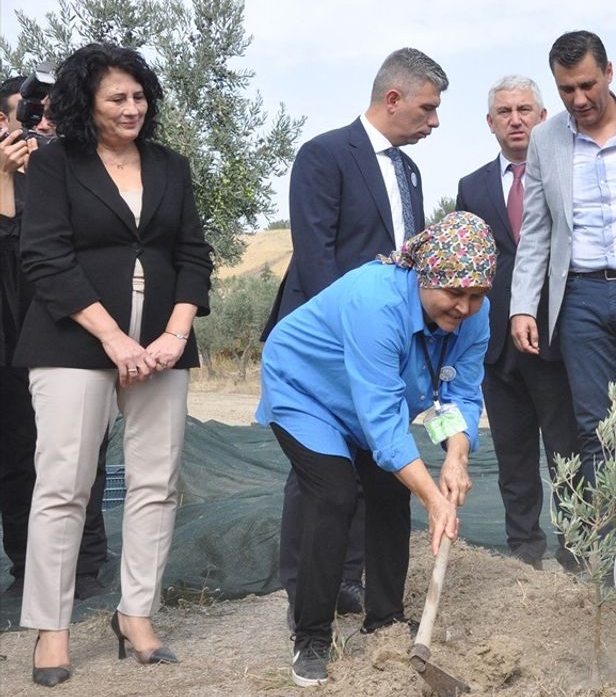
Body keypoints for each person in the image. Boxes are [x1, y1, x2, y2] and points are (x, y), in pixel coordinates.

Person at [16, 42, 214, 686]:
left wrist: (176, 333)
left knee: (157, 483)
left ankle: (136, 616)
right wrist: (114, 339)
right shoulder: (52, 166)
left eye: (139, 96)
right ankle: (50, 627)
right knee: (64, 488)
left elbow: (193, 254)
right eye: (117, 98)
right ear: (85, 103)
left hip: (163, 346)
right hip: (74, 344)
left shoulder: (170, 166)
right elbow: (44, 257)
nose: (133, 108)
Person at [257, 211, 492, 687]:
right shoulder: (376, 302)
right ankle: (312, 637)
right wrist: (434, 498)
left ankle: (384, 618)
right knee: (334, 495)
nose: (465, 307)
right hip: (306, 391)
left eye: (476, 295)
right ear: (426, 275)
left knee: (389, 494)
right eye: (454, 293)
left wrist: (456, 453)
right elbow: (385, 426)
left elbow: (461, 393)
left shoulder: (474, 316)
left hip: (368, 400)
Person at [263, 48, 448, 619]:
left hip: (383, 338)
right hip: (325, 342)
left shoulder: (409, 171)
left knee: (377, 463)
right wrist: (355, 335)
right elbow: (317, 256)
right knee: (321, 476)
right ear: (393, 99)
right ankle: (305, 590)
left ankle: (351, 583)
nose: (434, 121)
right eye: (428, 108)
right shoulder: (324, 154)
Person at [509, 31, 616, 492]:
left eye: (588, 84)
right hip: (580, 300)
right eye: (567, 89)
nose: (579, 98)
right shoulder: (545, 140)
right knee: (595, 431)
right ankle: (604, 556)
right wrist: (523, 305)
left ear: (609, 73)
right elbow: (536, 231)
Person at [455, 75, 580, 572]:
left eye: (525, 109)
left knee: (566, 450)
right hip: (494, 348)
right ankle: (524, 549)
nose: (516, 120)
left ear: (544, 117)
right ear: (490, 123)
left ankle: (575, 547)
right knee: (513, 452)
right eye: (504, 112)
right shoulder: (472, 187)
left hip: (556, 341)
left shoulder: (567, 175)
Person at [0, 76, 113, 603]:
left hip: (74, 337)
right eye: (31, 113)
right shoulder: (12, 181)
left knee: (86, 454)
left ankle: (88, 566)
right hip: (13, 346)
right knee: (24, 457)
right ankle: (29, 569)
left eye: (52, 113)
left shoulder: (69, 175)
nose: (44, 123)